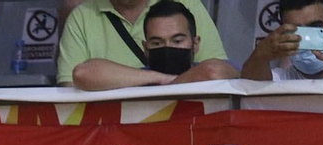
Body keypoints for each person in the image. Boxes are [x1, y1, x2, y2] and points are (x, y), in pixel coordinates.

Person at [63, 0, 237, 88]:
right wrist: (161, 80)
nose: (167, 47)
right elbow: (77, 80)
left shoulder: (187, 3)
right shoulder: (82, 16)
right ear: (145, 47)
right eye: (157, 42)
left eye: (177, 40)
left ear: (195, 43)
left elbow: (216, 73)